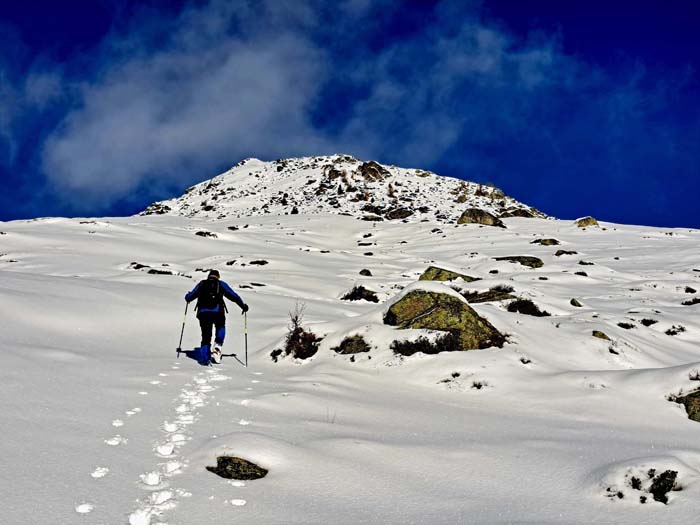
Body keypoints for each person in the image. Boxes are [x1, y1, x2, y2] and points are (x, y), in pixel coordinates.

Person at [185, 269, 248, 363]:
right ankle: (218, 346)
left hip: (203, 313)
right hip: (218, 312)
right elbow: (233, 296)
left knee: (206, 336)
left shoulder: (202, 284)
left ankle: (205, 359)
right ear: (218, 277)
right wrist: (243, 306)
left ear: (209, 276)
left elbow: (189, 298)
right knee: (220, 327)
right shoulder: (221, 284)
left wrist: (187, 295)